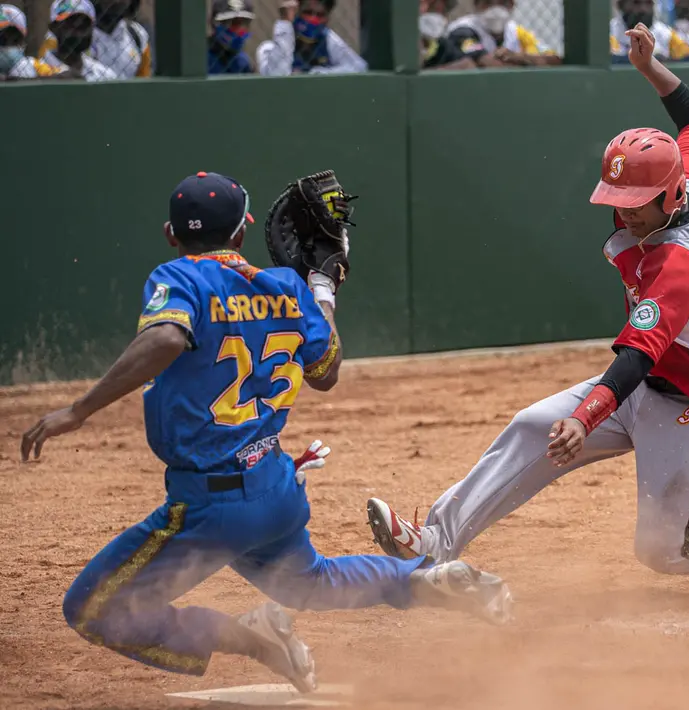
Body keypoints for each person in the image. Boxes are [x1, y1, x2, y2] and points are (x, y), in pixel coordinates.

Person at [19, 171, 513, 693]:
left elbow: (166, 335)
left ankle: (251, 638)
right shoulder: (286, 287)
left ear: (171, 233)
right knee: (311, 581)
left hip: (209, 508)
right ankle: (424, 580)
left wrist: (79, 410)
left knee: (91, 609)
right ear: (240, 234)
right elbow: (326, 372)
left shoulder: (179, 276)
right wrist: (321, 286)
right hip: (274, 488)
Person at [366, 24, 689, 586]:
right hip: (645, 383)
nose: (625, 213)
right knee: (531, 428)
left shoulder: (681, 263)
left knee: (666, 550)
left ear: (669, 197)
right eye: (617, 200)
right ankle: (434, 543)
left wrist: (585, 416)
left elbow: (638, 353)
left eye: (637, 203)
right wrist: (650, 69)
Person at [257, 0, 367, 76]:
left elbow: (359, 67)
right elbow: (277, 75)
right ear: (296, 13)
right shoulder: (267, 49)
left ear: (327, 18)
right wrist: (285, 23)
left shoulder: (327, 39)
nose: (313, 20)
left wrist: (317, 74)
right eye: (308, 12)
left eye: (320, 15)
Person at [446, 0, 559, 67]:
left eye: (502, 2)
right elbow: (489, 64)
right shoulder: (463, 30)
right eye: (488, 2)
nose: (495, 8)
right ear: (476, 5)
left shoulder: (516, 31)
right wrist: (530, 63)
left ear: (512, 5)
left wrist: (520, 57)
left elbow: (554, 59)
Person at [25, 0, 118, 81]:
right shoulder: (34, 68)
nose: (77, 32)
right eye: (70, 24)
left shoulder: (102, 73)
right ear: (53, 27)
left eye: (83, 25)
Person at [611, 0, 689, 63]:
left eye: (648, 3)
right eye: (636, 3)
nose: (643, 9)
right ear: (621, 5)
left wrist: (667, 62)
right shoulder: (610, 33)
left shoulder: (666, 34)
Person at [420, 0, 475, 70]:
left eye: (445, 9)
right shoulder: (406, 39)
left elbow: (467, 64)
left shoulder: (444, 44)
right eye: (432, 5)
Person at [208, 0, 256, 75]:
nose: (238, 30)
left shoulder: (244, 63)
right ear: (215, 24)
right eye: (231, 23)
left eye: (243, 23)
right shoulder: (200, 59)